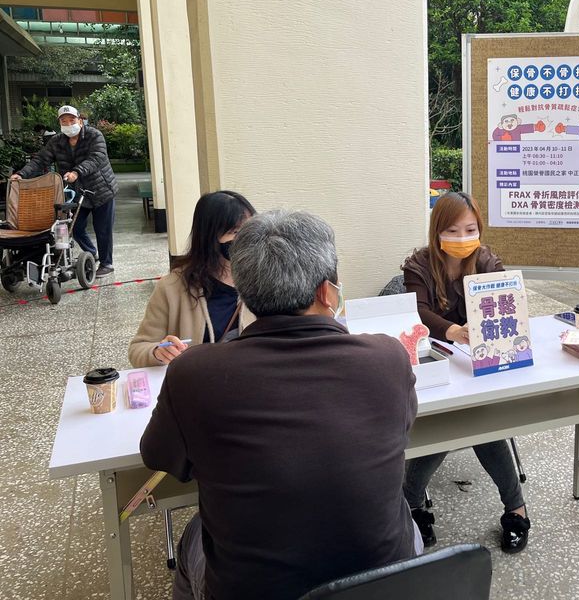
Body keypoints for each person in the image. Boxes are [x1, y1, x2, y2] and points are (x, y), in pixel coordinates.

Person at [141, 210, 419, 600]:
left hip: (256, 590)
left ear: (243, 288)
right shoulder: (388, 357)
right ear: (328, 291)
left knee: (195, 532)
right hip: (381, 583)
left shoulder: (194, 373)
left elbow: (159, 457)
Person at [402, 191, 531, 553]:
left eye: (470, 229)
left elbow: (508, 301)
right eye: (453, 231)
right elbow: (418, 312)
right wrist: (453, 331)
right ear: (437, 231)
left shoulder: (488, 260)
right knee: (457, 422)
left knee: (476, 421)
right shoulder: (418, 266)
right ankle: (412, 506)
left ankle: (514, 508)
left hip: (482, 365)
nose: (462, 239)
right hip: (437, 361)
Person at [129, 191, 256, 367]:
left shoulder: (261, 280)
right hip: (198, 384)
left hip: (251, 382)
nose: (246, 239)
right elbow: (138, 349)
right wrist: (158, 352)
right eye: (235, 231)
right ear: (210, 235)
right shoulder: (172, 287)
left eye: (250, 229)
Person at [11, 105, 119, 277]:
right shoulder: (56, 141)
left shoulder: (94, 135)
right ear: (59, 123)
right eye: (64, 121)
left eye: (72, 120)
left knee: (103, 229)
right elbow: (40, 160)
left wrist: (77, 171)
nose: (68, 124)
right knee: (74, 228)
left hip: (101, 190)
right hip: (76, 192)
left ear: (80, 121)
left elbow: (96, 158)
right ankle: (92, 253)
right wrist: (21, 174)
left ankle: (107, 264)